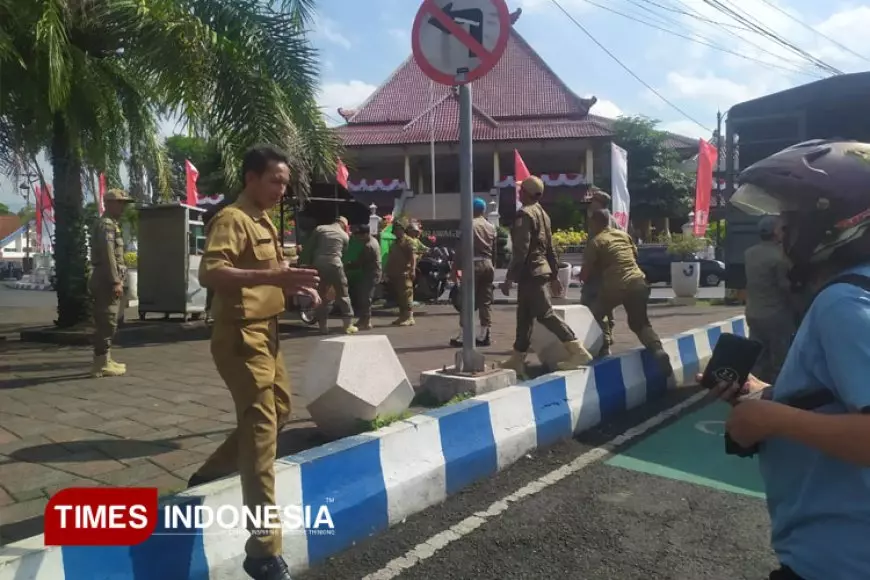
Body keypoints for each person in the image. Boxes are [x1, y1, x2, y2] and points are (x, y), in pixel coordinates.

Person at [704, 139, 870, 580]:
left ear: (835, 221)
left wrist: (768, 421)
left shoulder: (844, 304)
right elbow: (832, 396)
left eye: (792, 216)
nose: (780, 229)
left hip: (836, 560)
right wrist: (765, 396)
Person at [188, 144, 321, 580]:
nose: (281, 189)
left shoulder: (264, 220)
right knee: (262, 429)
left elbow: (273, 272)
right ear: (250, 178)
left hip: (268, 332)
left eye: (284, 182)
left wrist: (296, 289)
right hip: (241, 338)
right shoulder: (232, 219)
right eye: (274, 181)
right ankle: (263, 551)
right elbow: (211, 273)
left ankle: (207, 476)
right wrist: (275, 277)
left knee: (278, 411)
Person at [499, 176, 593, 374]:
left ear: (524, 192)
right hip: (538, 271)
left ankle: (577, 350)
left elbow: (521, 250)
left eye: (520, 190)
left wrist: (509, 278)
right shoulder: (543, 214)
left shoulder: (524, 215)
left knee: (545, 314)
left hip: (531, 272)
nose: (518, 192)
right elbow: (550, 248)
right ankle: (518, 358)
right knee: (523, 317)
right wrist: (554, 275)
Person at [578, 209, 672, 375]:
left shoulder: (596, 241)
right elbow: (633, 256)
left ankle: (603, 347)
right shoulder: (623, 235)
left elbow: (585, 274)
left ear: (594, 223)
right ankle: (658, 350)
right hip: (638, 281)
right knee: (640, 323)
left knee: (594, 314)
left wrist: (583, 277)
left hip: (615, 285)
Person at [743, 215, 795, 383]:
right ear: (775, 232)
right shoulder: (779, 257)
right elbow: (784, 286)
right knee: (779, 360)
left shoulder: (749, 253)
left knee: (758, 358)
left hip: (753, 312)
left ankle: (753, 394)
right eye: (782, 229)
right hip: (776, 314)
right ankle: (778, 397)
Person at [89, 188, 134, 378]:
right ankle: (100, 364)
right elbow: (109, 256)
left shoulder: (112, 224)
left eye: (124, 203)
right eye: (120, 202)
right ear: (109, 204)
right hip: (106, 279)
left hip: (109, 278)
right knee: (107, 321)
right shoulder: (106, 225)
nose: (123, 207)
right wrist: (116, 281)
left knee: (111, 320)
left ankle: (106, 359)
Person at [450, 197, 496, 347]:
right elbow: (494, 250)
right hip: (488, 264)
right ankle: (485, 334)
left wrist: (454, 269)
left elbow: (461, 249)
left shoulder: (468, 225)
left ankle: (464, 336)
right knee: (485, 301)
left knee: (466, 300)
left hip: (473, 264)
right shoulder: (491, 226)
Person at [308, 216, 357, 335]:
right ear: (344, 225)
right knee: (343, 294)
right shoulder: (345, 235)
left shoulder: (320, 229)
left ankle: (323, 327)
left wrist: (308, 263)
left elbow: (310, 247)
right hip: (335, 264)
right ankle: (347, 325)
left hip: (319, 263)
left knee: (322, 295)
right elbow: (345, 254)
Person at [582, 189, 619, 337]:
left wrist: (586, 270)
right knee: (606, 305)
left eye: (593, 202)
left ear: (599, 203)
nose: (590, 206)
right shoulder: (613, 221)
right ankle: (607, 333)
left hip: (598, 271)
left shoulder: (598, 223)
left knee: (589, 305)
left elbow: (594, 249)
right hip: (610, 271)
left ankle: (602, 339)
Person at [348, 224, 381, 330]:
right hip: (369, 272)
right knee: (363, 296)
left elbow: (359, 262)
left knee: (365, 298)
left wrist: (347, 265)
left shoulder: (369, 246)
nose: (358, 238)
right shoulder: (371, 241)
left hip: (371, 273)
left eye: (359, 235)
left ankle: (366, 321)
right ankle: (363, 319)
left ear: (366, 234)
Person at [384, 220, 416, 326]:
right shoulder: (394, 243)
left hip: (404, 273)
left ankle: (409, 317)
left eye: (398, 230)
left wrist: (412, 269)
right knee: (400, 297)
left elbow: (412, 257)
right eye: (395, 230)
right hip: (395, 273)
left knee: (407, 295)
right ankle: (402, 316)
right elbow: (390, 258)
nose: (397, 232)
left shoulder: (408, 241)